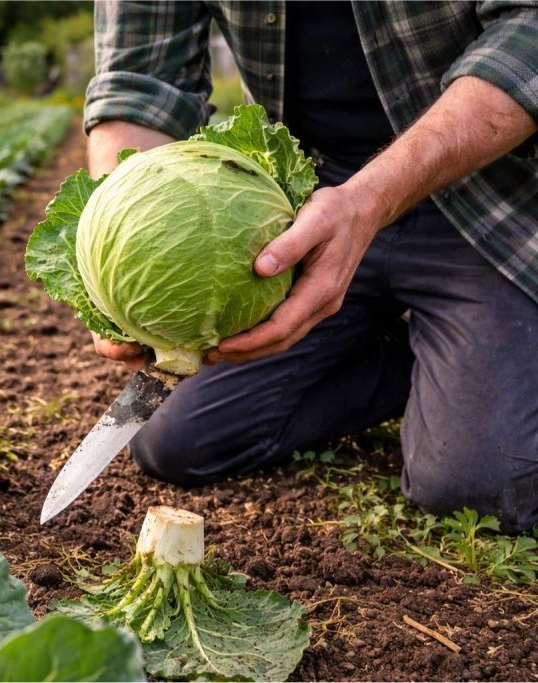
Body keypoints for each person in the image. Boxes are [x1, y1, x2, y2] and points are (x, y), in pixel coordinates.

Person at [84, 1, 538, 533]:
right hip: (296, 211)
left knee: (477, 487)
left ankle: (470, 357)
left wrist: (369, 199)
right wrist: (122, 249)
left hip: (488, 187)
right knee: (176, 440)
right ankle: (415, 355)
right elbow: (138, 81)